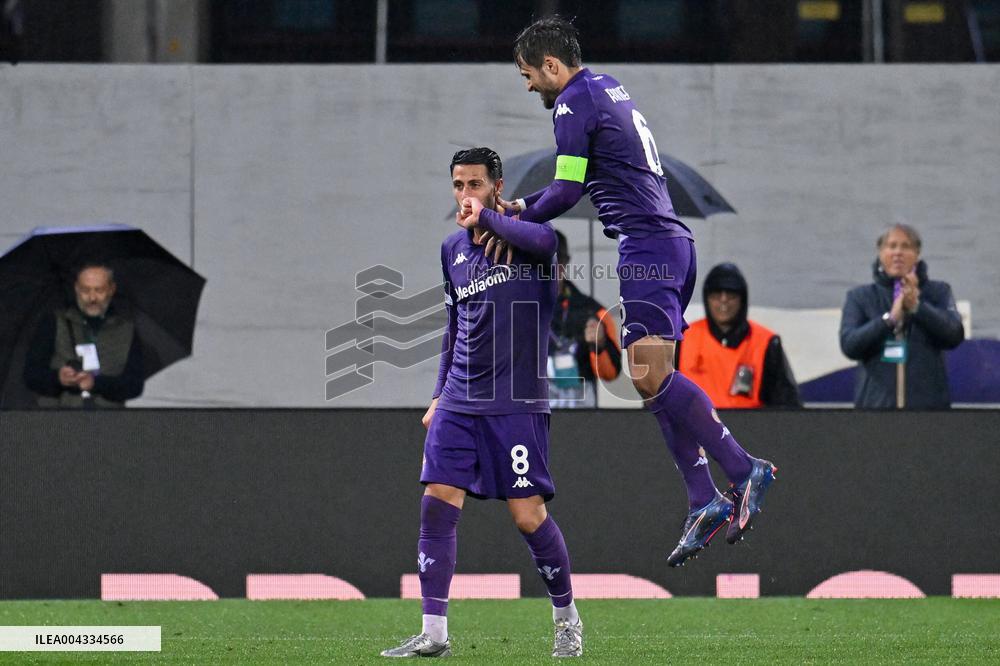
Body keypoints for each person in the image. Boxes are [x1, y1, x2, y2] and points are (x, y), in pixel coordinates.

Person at [499, 15, 776, 567]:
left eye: (529, 74)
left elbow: (567, 188)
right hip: (669, 241)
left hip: (647, 247)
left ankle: (745, 469)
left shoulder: (574, 104)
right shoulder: (608, 86)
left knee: (649, 377)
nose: (529, 85)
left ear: (551, 65)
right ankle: (703, 499)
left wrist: (515, 210)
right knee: (652, 383)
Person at [380, 148, 583, 658]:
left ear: (497, 185)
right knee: (436, 505)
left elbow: (547, 242)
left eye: (475, 184)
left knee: (528, 516)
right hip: (459, 401)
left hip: (515, 403)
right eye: (458, 185)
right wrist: (437, 394)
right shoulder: (452, 249)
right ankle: (434, 632)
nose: (465, 193)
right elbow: (454, 326)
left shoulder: (534, 239)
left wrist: (492, 217)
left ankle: (566, 618)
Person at [840, 224, 964, 409]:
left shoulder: (938, 291)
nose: (898, 252)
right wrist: (890, 318)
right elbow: (850, 345)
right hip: (875, 410)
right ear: (880, 253)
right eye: (891, 246)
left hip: (928, 412)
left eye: (906, 246)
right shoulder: (860, 296)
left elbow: (954, 335)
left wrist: (917, 307)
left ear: (917, 254)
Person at [677, 263, 801, 408]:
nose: (724, 300)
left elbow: (787, 407)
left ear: (742, 299)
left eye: (731, 294)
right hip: (692, 428)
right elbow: (659, 396)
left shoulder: (766, 343)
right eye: (716, 294)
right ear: (707, 298)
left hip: (750, 428)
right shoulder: (683, 338)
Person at [23, 263, 144, 408]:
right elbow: (31, 375)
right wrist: (58, 379)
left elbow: (134, 386)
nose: (92, 297)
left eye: (99, 290)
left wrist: (96, 384)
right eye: (85, 290)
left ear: (111, 289)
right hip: (58, 419)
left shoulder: (126, 330)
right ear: (76, 288)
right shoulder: (53, 322)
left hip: (108, 420)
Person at [548, 229, 621, 408]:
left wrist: (599, 344)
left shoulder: (593, 312)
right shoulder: (518, 309)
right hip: (533, 412)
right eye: (539, 262)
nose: (549, 269)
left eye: (556, 262)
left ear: (565, 263)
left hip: (581, 417)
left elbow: (610, 373)